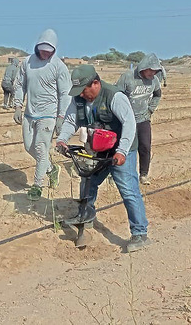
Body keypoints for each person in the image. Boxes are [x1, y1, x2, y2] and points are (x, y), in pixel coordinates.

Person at [56, 65, 151, 252]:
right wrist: (62, 140)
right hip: (99, 147)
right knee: (88, 182)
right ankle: (86, 221)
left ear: (96, 83)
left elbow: (129, 124)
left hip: (121, 148)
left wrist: (122, 151)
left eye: (84, 90)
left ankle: (140, 233)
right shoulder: (79, 99)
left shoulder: (114, 96)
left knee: (128, 189)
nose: (81, 95)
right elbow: (70, 120)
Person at [13, 28, 72, 201]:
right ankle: (51, 169)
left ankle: (37, 185)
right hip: (29, 113)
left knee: (40, 148)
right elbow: (19, 85)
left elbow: (65, 94)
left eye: (49, 50)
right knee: (29, 147)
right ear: (37, 46)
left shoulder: (59, 67)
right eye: (42, 49)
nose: (45, 53)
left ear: (54, 49)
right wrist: (17, 106)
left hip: (48, 115)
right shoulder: (27, 62)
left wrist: (61, 117)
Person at [116, 53, 162, 185]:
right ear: (143, 67)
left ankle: (144, 175)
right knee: (125, 147)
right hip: (126, 120)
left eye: (155, 71)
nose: (152, 73)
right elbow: (117, 95)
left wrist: (150, 109)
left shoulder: (154, 80)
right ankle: (121, 174)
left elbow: (157, 94)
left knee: (145, 147)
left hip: (143, 118)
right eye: (151, 70)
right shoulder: (127, 77)